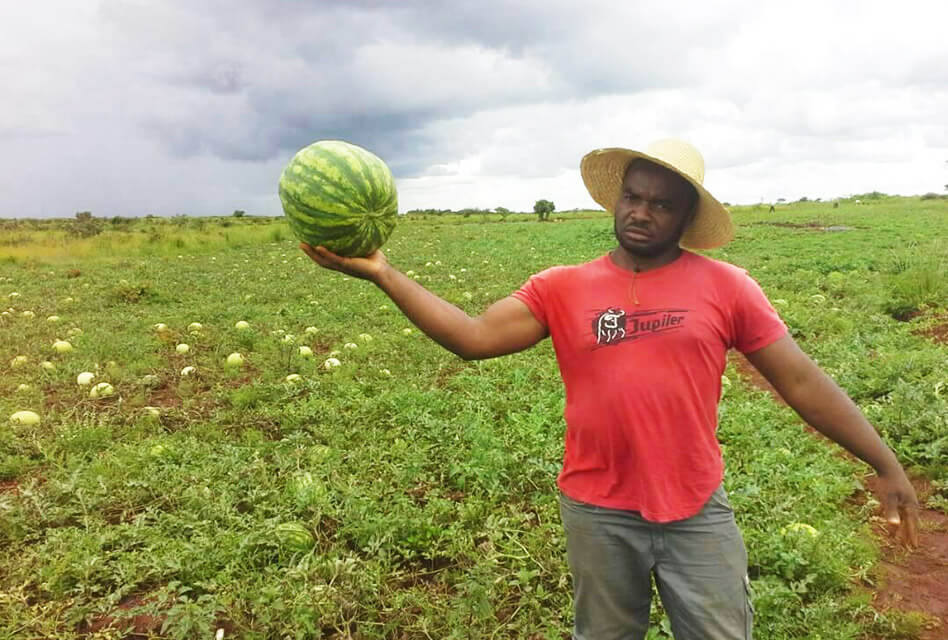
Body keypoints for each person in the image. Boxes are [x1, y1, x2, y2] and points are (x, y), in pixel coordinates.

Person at [300, 139, 920, 640]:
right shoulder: (560, 287)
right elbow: (470, 337)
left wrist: (885, 463)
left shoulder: (728, 287)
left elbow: (803, 382)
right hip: (596, 510)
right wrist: (383, 272)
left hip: (696, 508)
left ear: (685, 217)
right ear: (616, 200)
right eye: (633, 196)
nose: (641, 212)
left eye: (661, 204)